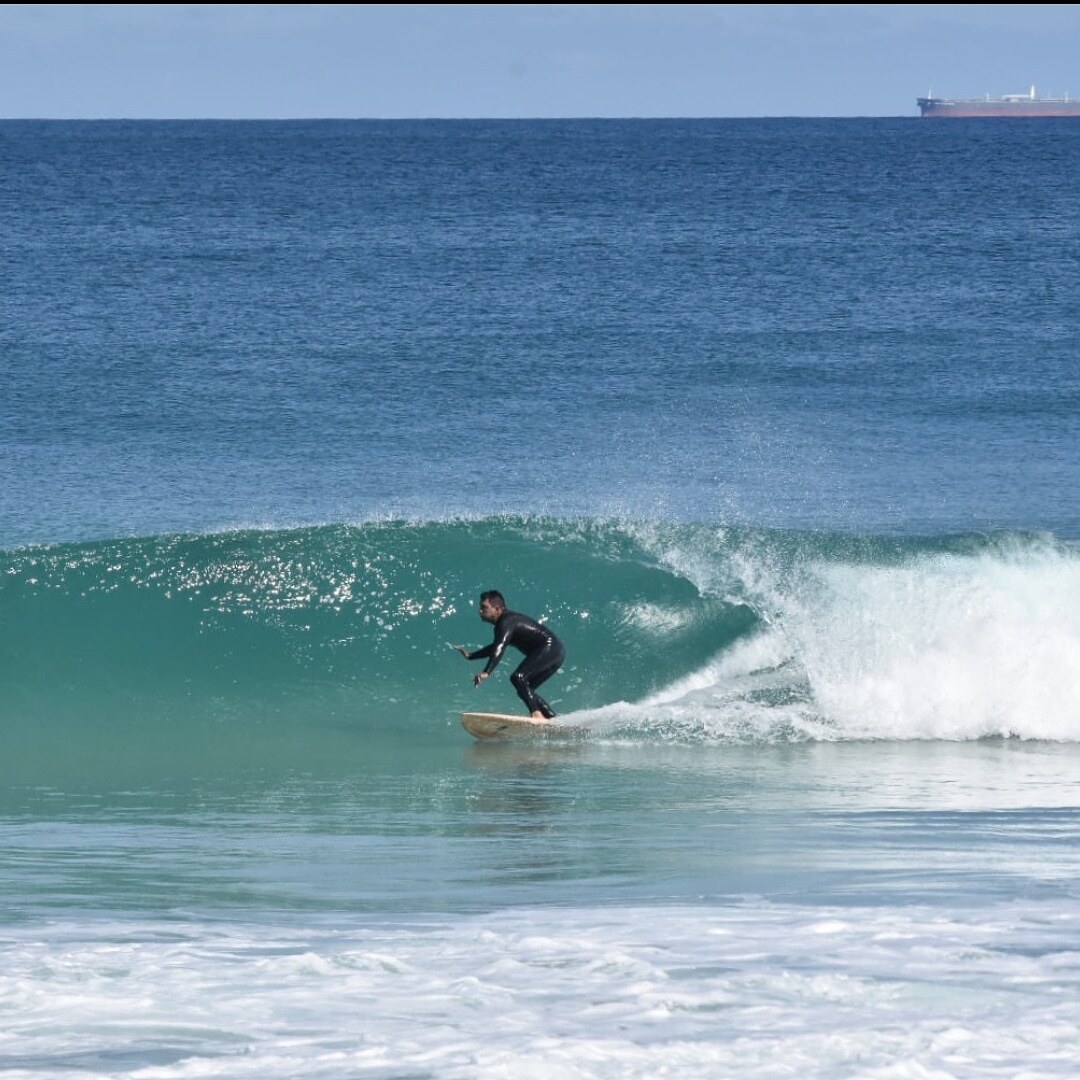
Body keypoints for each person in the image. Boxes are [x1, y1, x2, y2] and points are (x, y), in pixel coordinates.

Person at [453, 590, 565, 720]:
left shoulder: (506, 622)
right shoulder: (506, 623)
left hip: (550, 647)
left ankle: (536, 714)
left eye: (484, 607)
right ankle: (553, 719)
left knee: (518, 677)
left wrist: (486, 672)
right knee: (524, 689)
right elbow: (496, 646)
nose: (480, 610)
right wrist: (471, 656)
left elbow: (499, 647)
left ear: (497, 609)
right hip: (556, 651)